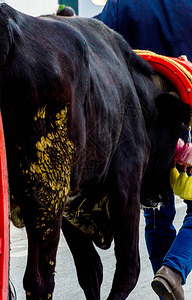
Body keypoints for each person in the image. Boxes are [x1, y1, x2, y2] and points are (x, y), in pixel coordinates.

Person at [95, 1, 192, 299]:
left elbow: (96, 36)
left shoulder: (123, 2)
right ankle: (173, 270)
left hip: (139, 125)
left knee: (156, 213)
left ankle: (166, 280)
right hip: (182, 115)